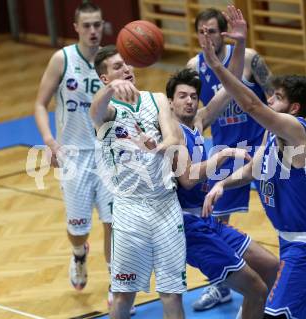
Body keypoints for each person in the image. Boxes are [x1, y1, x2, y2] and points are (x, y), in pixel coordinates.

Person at [200, 27, 306, 319]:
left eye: (277, 97)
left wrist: (216, 67)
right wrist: (222, 184)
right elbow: (254, 168)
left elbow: (250, 104)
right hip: (290, 240)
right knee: (301, 310)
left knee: (274, 314)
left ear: (294, 107)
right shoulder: (271, 137)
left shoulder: (295, 130)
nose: (269, 100)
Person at [166, 6, 279, 318]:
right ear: (170, 103)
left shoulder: (199, 120)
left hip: (207, 222)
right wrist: (223, 155)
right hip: (186, 227)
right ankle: (225, 286)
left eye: (193, 96)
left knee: (271, 268)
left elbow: (232, 87)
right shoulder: (172, 135)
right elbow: (188, 179)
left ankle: (290, 287)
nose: (190, 100)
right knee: (256, 288)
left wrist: (238, 45)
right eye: (182, 96)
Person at [34, 2, 122, 310]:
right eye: (87, 25)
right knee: (78, 229)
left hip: (107, 153)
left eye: (97, 24)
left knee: (114, 222)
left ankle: (117, 283)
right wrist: (48, 140)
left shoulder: (111, 61)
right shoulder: (63, 59)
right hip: (73, 157)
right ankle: (79, 253)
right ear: (76, 28)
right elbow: (39, 104)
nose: (93, 31)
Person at [90, 45, 186, 319]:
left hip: (166, 205)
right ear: (105, 78)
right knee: (123, 295)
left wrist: (155, 147)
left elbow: (172, 138)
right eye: (117, 67)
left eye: (126, 64)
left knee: (171, 293)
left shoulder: (156, 99)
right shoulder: (107, 111)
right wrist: (111, 90)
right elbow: (94, 110)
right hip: (130, 209)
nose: (126, 69)